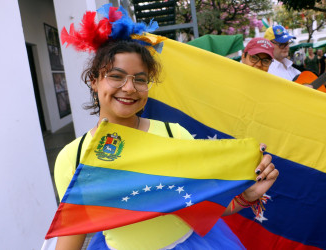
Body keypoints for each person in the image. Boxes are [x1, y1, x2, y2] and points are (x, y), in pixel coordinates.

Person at [54, 4, 279, 249]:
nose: (129, 88)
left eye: (140, 79)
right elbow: (71, 237)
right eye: (116, 76)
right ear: (93, 81)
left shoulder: (175, 135)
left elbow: (200, 206)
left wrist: (247, 197)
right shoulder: (73, 158)